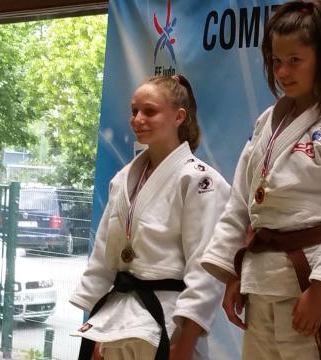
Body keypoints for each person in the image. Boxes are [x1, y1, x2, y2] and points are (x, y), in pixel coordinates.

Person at [200, 1, 321, 359]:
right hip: (261, 282)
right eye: (276, 61)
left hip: (313, 282)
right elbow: (242, 203)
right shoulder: (266, 124)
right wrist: (234, 273)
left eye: (295, 60)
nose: (283, 71)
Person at [69, 74, 230, 360]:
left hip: (168, 324)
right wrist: (94, 328)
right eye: (134, 111)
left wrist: (186, 342)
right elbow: (103, 260)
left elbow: (205, 269)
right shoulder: (123, 179)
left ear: (179, 116)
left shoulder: (200, 181)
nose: (137, 119)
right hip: (116, 323)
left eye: (149, 111)